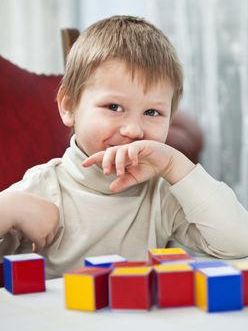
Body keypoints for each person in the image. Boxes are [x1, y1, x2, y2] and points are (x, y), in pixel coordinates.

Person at [1, 15, 248, 279]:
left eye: (152, 112)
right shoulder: (41, 188)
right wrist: (8, 208)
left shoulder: (161, 193)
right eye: (114, 107)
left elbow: (238, 242)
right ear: (68, 106)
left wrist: (175, 165)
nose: (133, 130)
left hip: (137, 319)